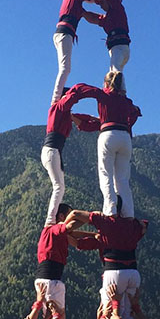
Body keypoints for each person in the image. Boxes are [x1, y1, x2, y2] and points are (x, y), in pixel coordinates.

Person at [65, 71, 142, 217]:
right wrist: (127, 124)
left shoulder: (103, 94)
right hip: (125, 138)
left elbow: (82, 88)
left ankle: (110, 210)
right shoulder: (126, 101)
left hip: (108, 135)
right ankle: (128, 213)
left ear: (106, 83)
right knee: (122, 179)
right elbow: (136, 112)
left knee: (106, 174)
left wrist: (69, 94)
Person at [70, 202, 148, 319]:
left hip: (113, 272)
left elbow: (75, 215)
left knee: (108, 315)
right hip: (133, 272)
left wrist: (60, 228)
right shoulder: (131, 225)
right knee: (129, 315)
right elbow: (143, 226)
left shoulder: (105, 223)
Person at [42, 89, 100, 226]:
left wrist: (98, 119)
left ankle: (52, 219)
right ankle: (50, 221)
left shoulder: (65, 114)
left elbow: (83, 120)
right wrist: (79, 92)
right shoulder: (57, 108)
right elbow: (70, 102)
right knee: (59, 187)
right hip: (52, 150)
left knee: (59, 186)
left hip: (53, 151)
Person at [81, 0, 131, 72]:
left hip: (119, 47)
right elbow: (93, 18)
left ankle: (116, 80)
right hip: (116, 49)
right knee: (114, 71)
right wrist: (81, 11)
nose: (100, 6)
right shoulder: (108, 18)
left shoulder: (116, 7)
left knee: (115, 70)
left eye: (102, 2)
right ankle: (118, 80)